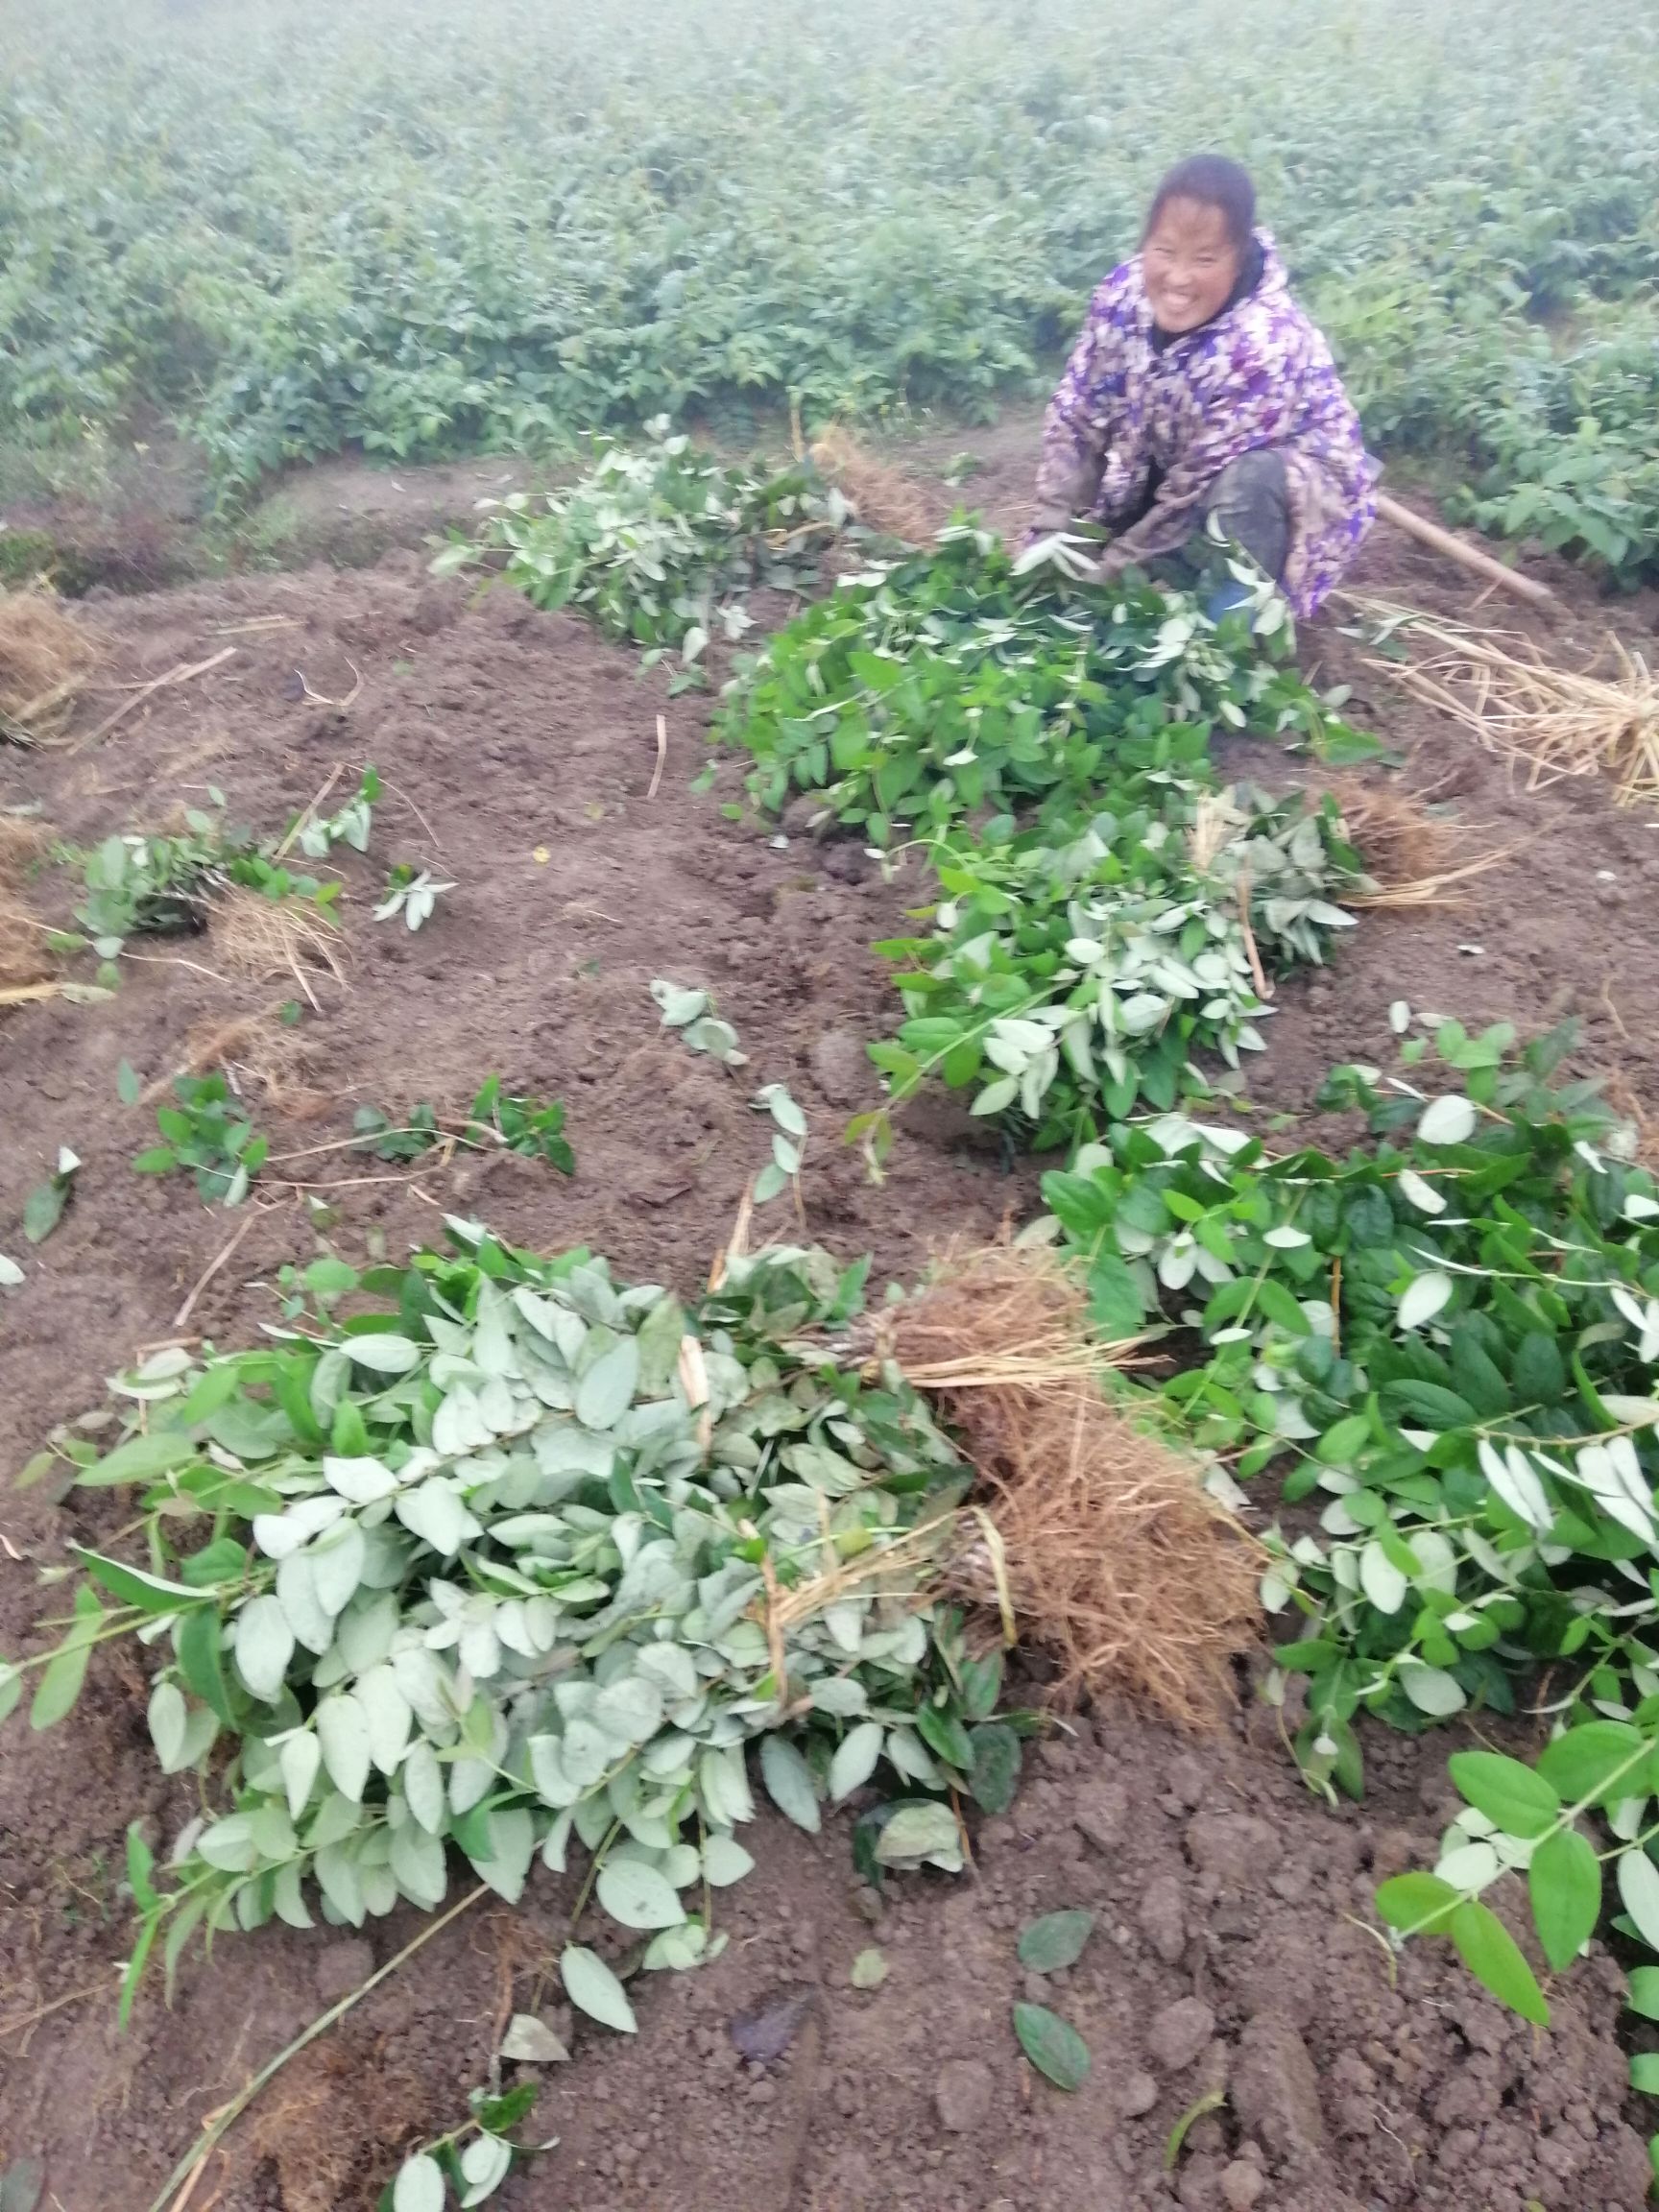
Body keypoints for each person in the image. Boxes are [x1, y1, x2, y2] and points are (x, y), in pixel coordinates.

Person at [1027, 155, 1378, 618]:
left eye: (1205, 259)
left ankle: (1232, 635)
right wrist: (1051, 534)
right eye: (1164, 251)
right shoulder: (1123, 297)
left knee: (1246, 487)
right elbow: (1078, 415)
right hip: (1178, 462)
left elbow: (1188, 499)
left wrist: (1098, 583)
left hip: (1288, 496)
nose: (1178, 278)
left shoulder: (1263, 345)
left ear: (1237, 259)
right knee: (1119, 557)